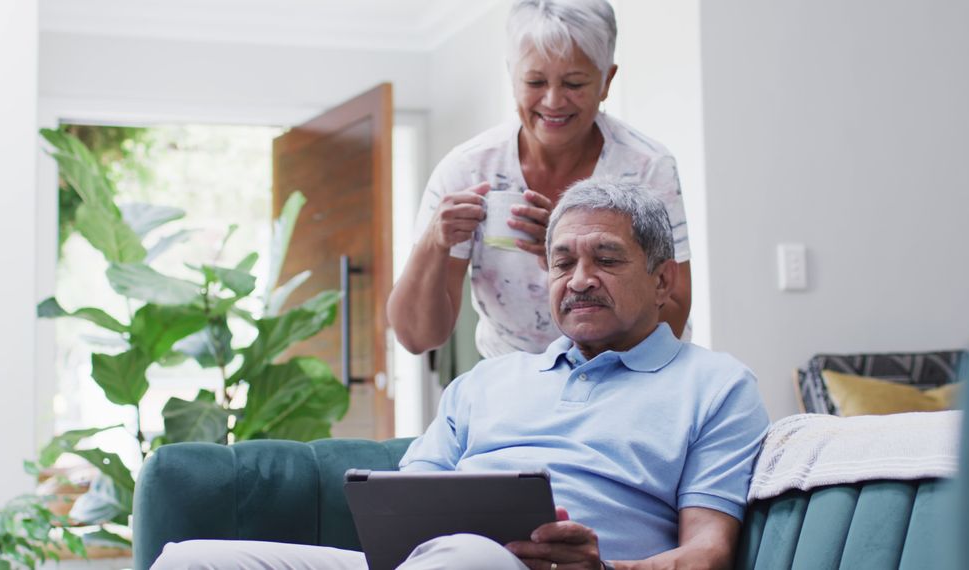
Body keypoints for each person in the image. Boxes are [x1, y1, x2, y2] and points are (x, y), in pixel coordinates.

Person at [151, 179, 769, 570]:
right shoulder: (485, 382)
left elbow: (708, 554)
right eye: (562, 263)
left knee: (469, 558)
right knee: (192, 560)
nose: (580, 279)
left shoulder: (715, 385)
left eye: (606, 259)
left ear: (663, 281)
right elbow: (406, 502)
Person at [387, 0, 693, 359]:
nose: (553, 101)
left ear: (606, 80)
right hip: (515, 383)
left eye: (574, 83)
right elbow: (416, 338)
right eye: (534, 81)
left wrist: (565, 254)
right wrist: (433, 244)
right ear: (512, 77)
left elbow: (673, 315)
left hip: (630, 375)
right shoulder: (468, 170)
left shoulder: (646, 166)